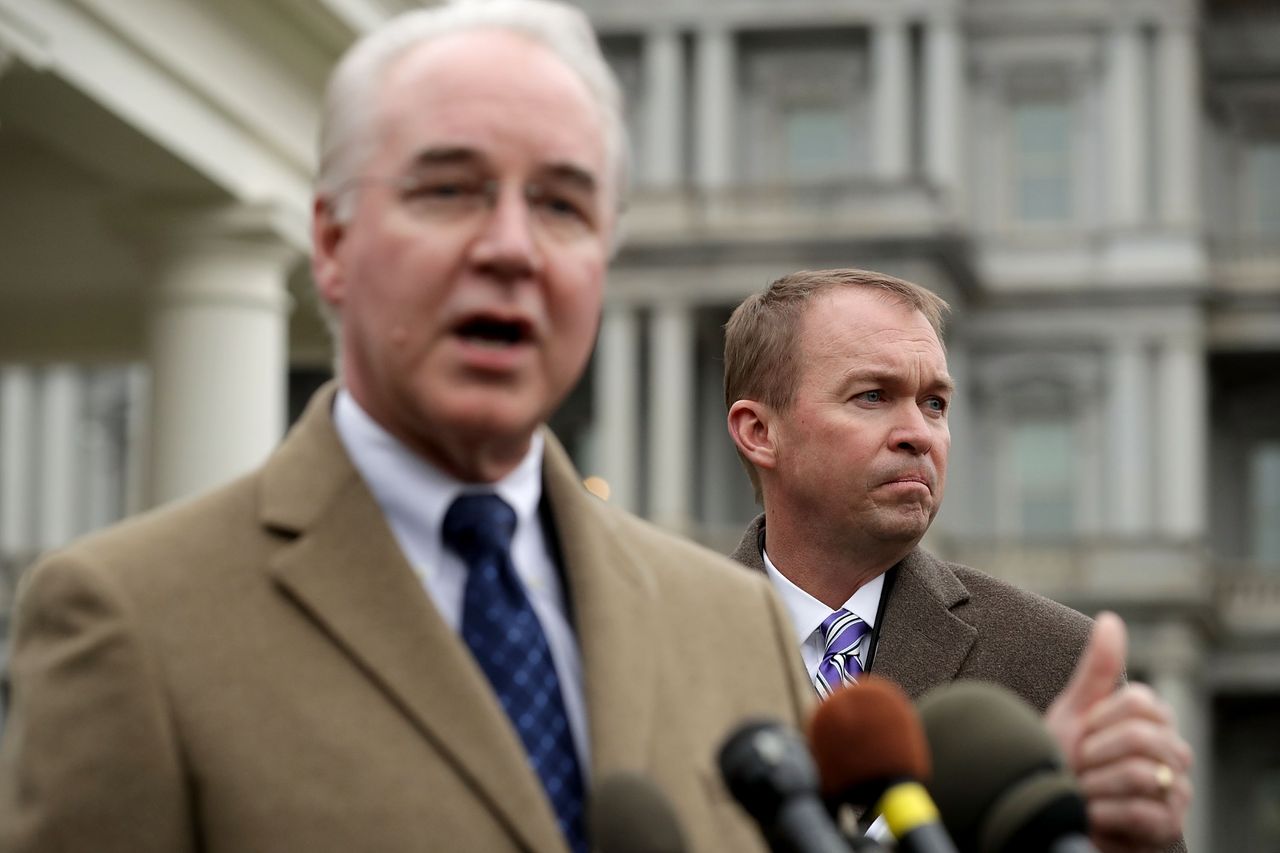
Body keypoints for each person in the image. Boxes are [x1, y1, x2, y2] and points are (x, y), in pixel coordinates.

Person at [0, 4, 812, 852]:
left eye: (561, 205)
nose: (510, 247)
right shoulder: (128, 617)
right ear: (332, 241)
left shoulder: (739, 625)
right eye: (449, 190)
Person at [723, 268, 1193, 853]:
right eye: (873, 396)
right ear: (760, 431)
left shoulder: (1057, 659)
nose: (919, 434)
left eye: (935, 404)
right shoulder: (659, 643)